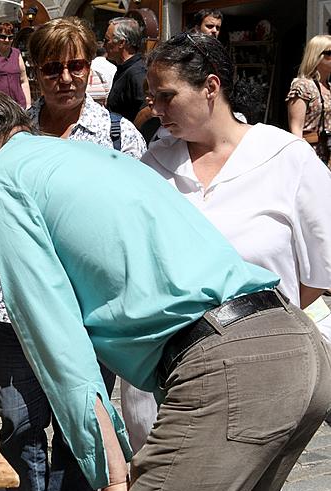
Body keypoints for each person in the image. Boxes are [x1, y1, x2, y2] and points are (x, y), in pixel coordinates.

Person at [0, 85, 331, 491]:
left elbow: (53, 332)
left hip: (229, 364)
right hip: (297, 343)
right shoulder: (88, 154)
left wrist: (110, 469)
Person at [0, 17, 145, 491]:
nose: (66, 78)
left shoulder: (119, 136)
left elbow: (127, 227)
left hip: (90, 309)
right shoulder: (10, 135)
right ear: (36, 70)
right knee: (17, 419)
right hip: (17, 307)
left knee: (82, 429)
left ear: (91, 65)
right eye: (53, 68)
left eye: (76, 65)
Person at [137, 32, 331, 446]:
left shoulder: (285, 157)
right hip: (165, 371)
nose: (155, 109)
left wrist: (254, 326)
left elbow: (317, 275)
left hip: (261, 369)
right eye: (151, 97)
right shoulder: (152, 163)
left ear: (210, 86)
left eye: (167, 96)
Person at [287, 35, 331, 167]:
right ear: (316, 55)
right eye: (329, 53)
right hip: (312, 155)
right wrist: (303, 161)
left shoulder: (329, 87)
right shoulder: (302, 86)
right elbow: (296, 130)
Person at [104, 17, 146, 122]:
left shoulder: (136, 72)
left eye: (107, 40)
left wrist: (132, 133)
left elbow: (146, 111)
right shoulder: (123, 69)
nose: (104, 45)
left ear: (121, 43)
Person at [0, 23, 31, 109]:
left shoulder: (17, 53)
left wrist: (28, 104)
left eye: (10, 37)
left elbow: (24, 80)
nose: (6, 40)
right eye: (3, 37)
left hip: (19, 105)